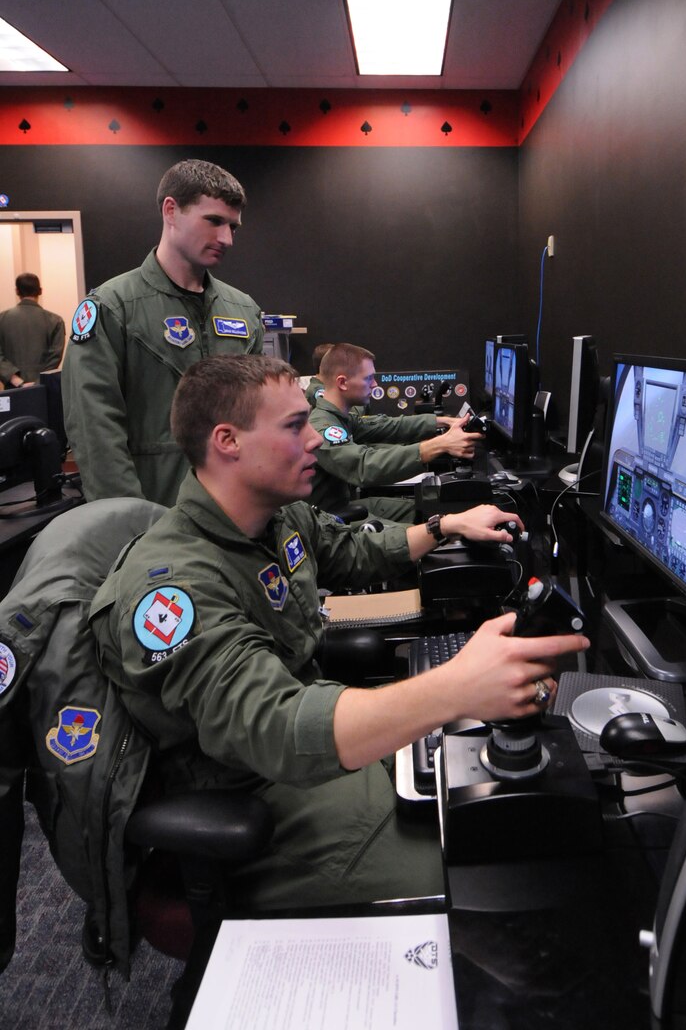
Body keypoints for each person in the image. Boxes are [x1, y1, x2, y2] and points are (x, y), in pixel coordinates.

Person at [90, 354, 587, 911]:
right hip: (258, 791)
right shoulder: (172, 590)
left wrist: (445, 525)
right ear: (227, 441)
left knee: (504, 802)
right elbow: (274, 727)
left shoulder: (273, 515)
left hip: (313, 738)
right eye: (294, 427)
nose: (314, 442)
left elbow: (350, 549)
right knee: (470, 873)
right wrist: (455, 687)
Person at [61, 159, 265, 507]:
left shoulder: (244, 310)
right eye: (214, 221)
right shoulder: (113, 307)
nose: (226, 238)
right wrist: (128, 522)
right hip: (154, 511)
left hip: (235, 513)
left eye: (233, 227)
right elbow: (95, 430)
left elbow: (260, 418)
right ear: (171, 210)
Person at [309, 342, 483, 522]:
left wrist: (440, 421)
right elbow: (364, 466)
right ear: (343, 383)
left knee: (425, 510)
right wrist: (440, 444)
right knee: (429, 528)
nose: (375, 384)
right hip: (325, 522)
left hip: (343, 506)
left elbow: (388, 426)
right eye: (368, 378)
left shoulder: (340, 417)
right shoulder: (323, 426)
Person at [0, 273, 65, 388]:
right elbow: (55, 358)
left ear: (17, 291)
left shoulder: (2, 319)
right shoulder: (55, 321)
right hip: (43, 390)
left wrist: (16, 380)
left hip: (12, 389)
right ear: (40, 291)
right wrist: (37, 383)